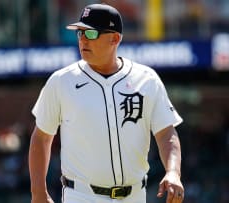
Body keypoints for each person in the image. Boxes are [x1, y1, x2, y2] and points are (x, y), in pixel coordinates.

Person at [29, 3, 184, 203]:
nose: (83, 39)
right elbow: (41, 137)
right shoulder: (61, 81)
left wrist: (173, 172)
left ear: (115, 38)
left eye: (91, 34)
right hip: (82, 195)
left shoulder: (147, 79)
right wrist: (38, 192)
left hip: (135, 196)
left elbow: (166, 133)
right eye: (80, 33)